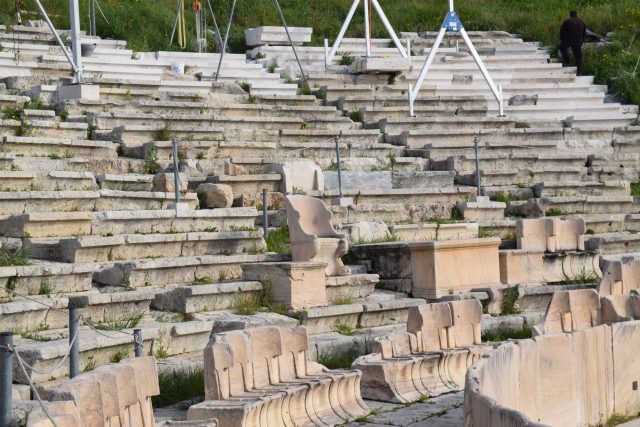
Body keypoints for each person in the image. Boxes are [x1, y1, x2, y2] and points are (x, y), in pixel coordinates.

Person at [560, 10, 587, 76]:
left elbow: (562, 31)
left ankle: (567, 62)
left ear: (570, 15)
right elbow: (584, 32)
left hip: (569, 40)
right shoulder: (581, 22)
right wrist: (582, 40)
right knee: (578, 56)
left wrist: (562, 39)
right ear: (576, 15)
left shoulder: (567, 21)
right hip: (578, 41)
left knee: (561, 47)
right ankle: (579, 72)